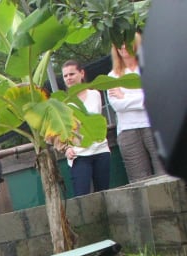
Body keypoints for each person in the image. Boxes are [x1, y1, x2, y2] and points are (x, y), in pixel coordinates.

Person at [107, 33, 166, 183]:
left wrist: (124, 97)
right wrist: (141, 97)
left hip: (154, 125)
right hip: (127, 131)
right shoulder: (112, 76)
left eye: (126, 42)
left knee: (165, 172)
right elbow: (117, 105)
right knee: (139, 180)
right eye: (119, 44)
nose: (123, 47)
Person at [62, 59, 111, 196]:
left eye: (72, 74)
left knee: (104, 194)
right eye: (65, 76)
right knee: (82, 196)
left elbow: (97, 120)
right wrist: (66, 148)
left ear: (81, 73)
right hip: (79, 154)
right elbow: (59, 131)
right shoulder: (63, 102)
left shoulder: (94, 94)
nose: (69, 78)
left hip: (100, 150)